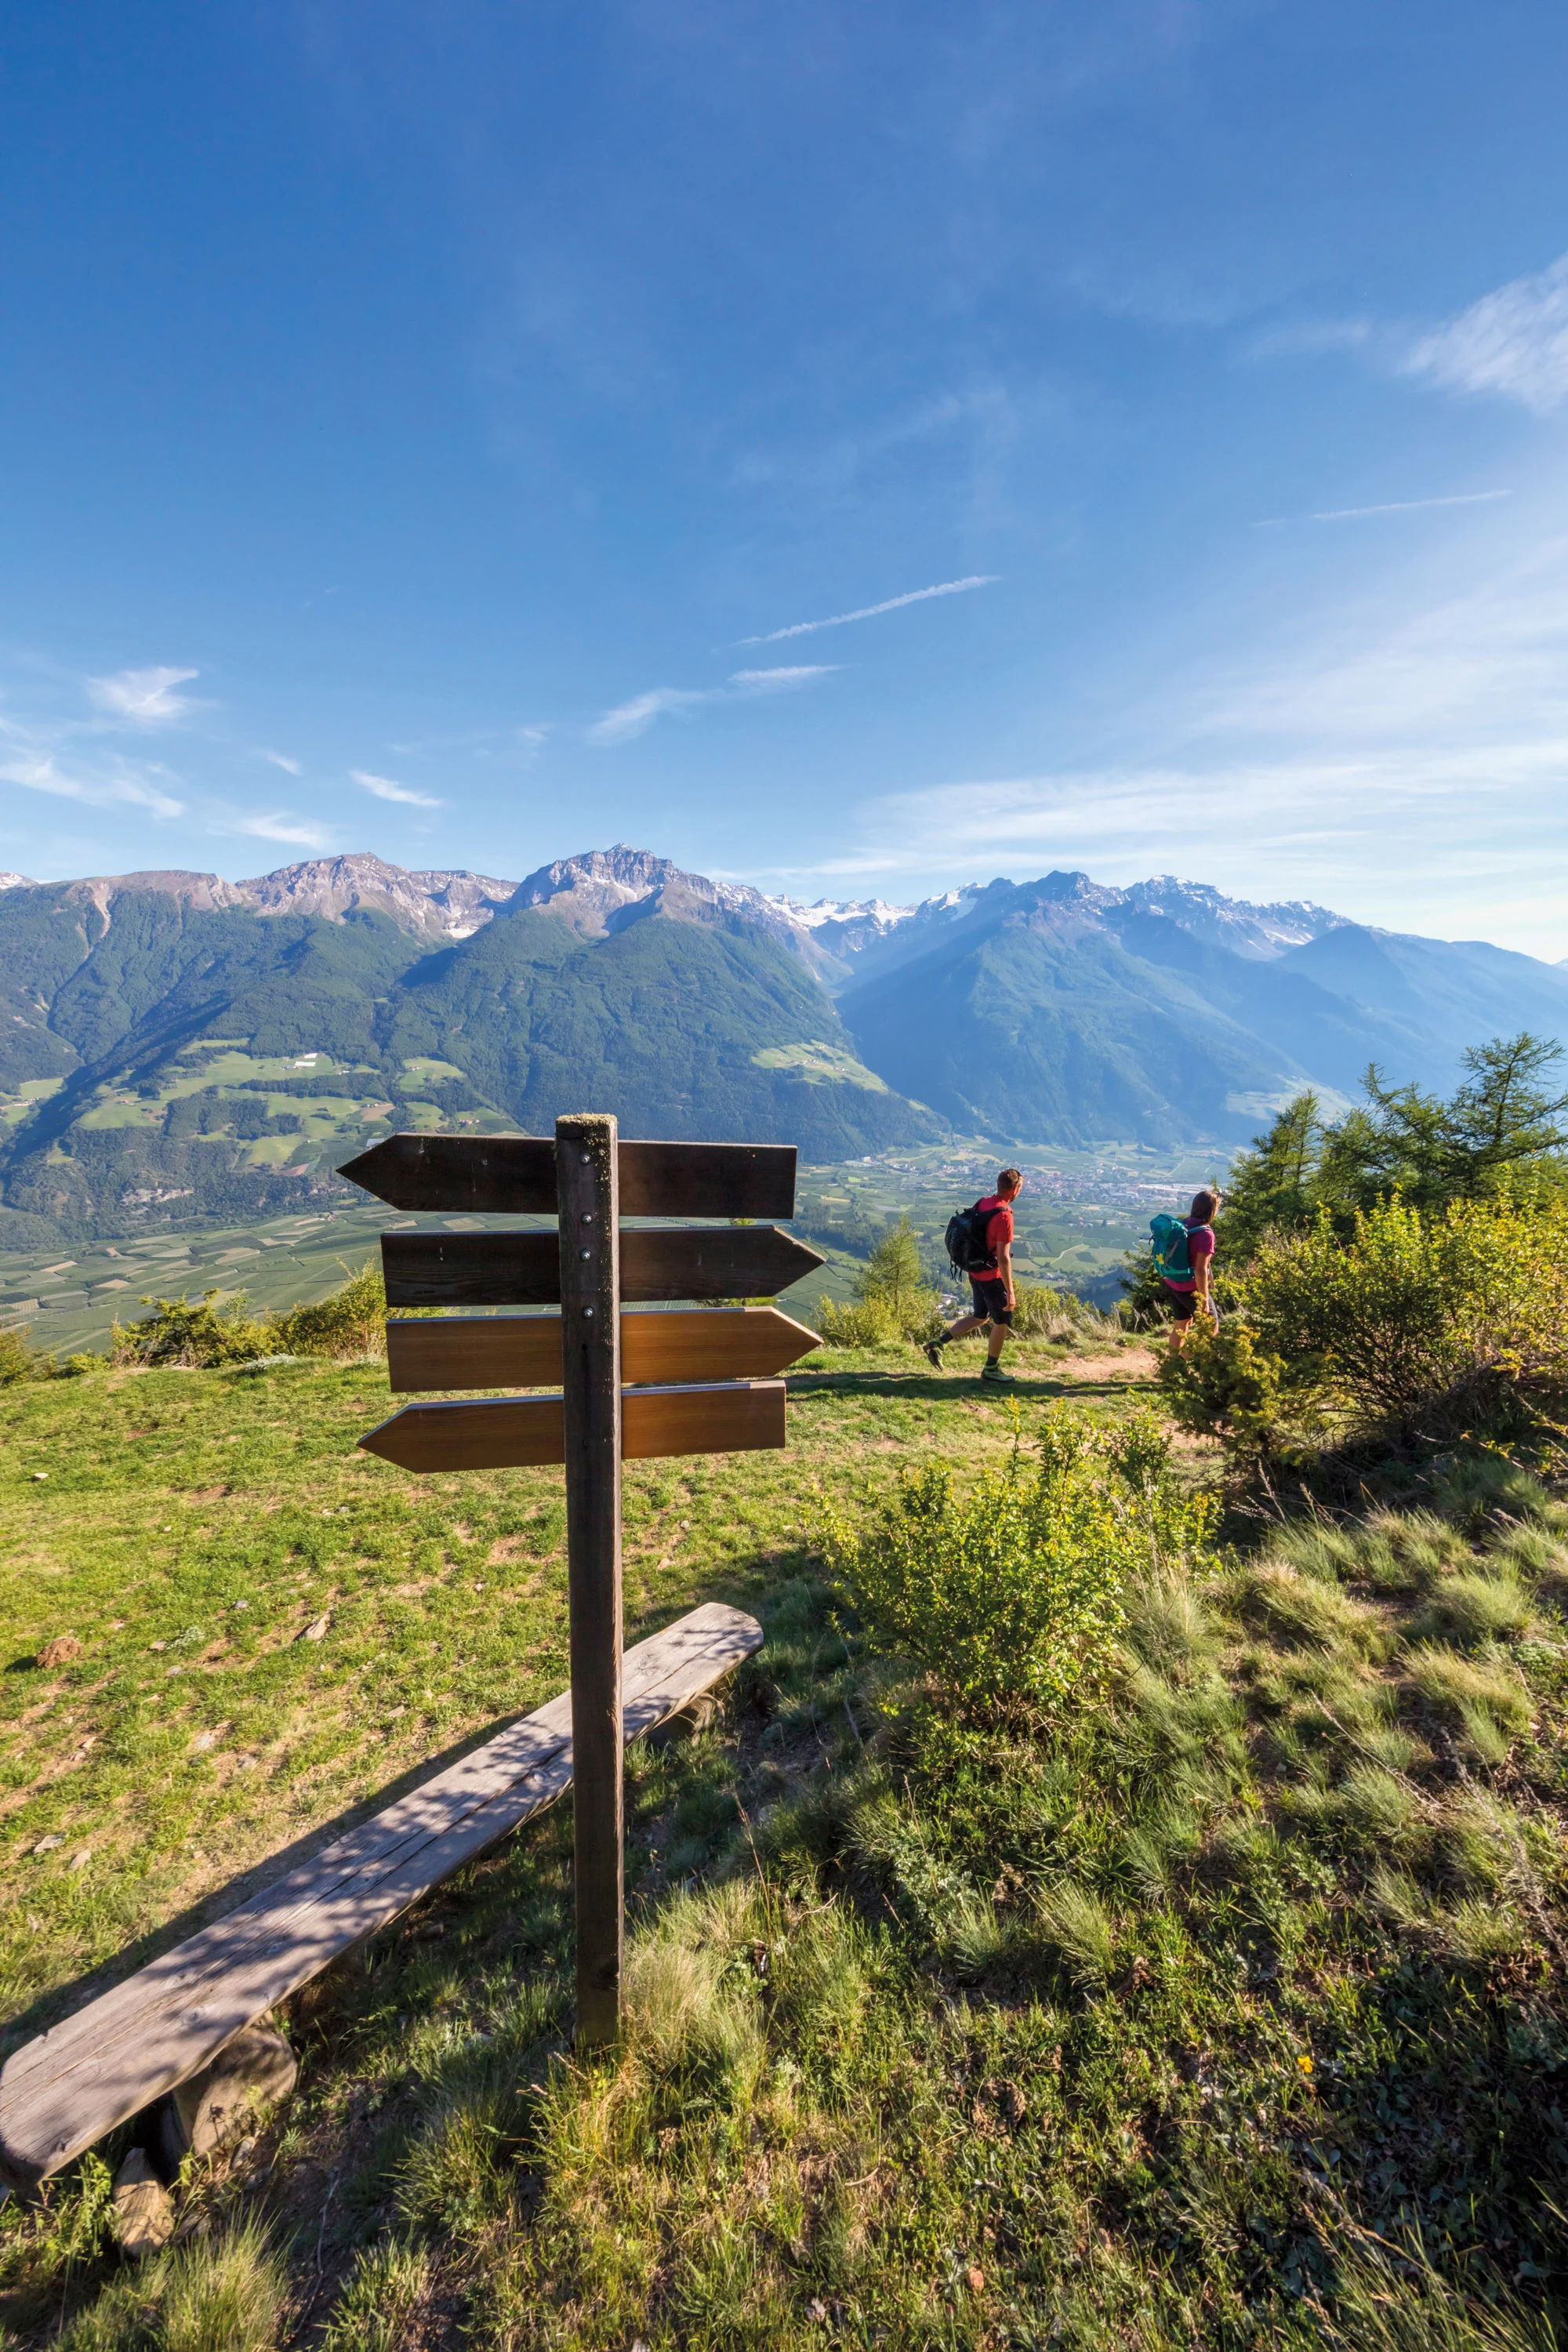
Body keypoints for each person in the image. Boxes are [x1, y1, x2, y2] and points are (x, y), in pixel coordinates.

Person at [925, 1167, 1023, 1385]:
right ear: (1014, 1190)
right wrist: (1010, 1292)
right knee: (1002, 1321)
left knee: (981, 1316)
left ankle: (937, 1344)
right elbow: (1004, 1258)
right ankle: (992, 1369)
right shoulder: (1004, 1216)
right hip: (991, 1277)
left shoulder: (984, 1202)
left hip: (975, 1272)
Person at [1163, 1186, 1220, 1348]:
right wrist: (1204, 1301)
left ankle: (1173, 1365)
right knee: (1211, 1327)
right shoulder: (1206, 1234)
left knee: (1181, 1325)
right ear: (1212, 1210)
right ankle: (1183, 1360)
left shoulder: (1183, 1225)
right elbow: (1201, 1270)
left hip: (1173, 1283)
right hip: (1191, 1288)